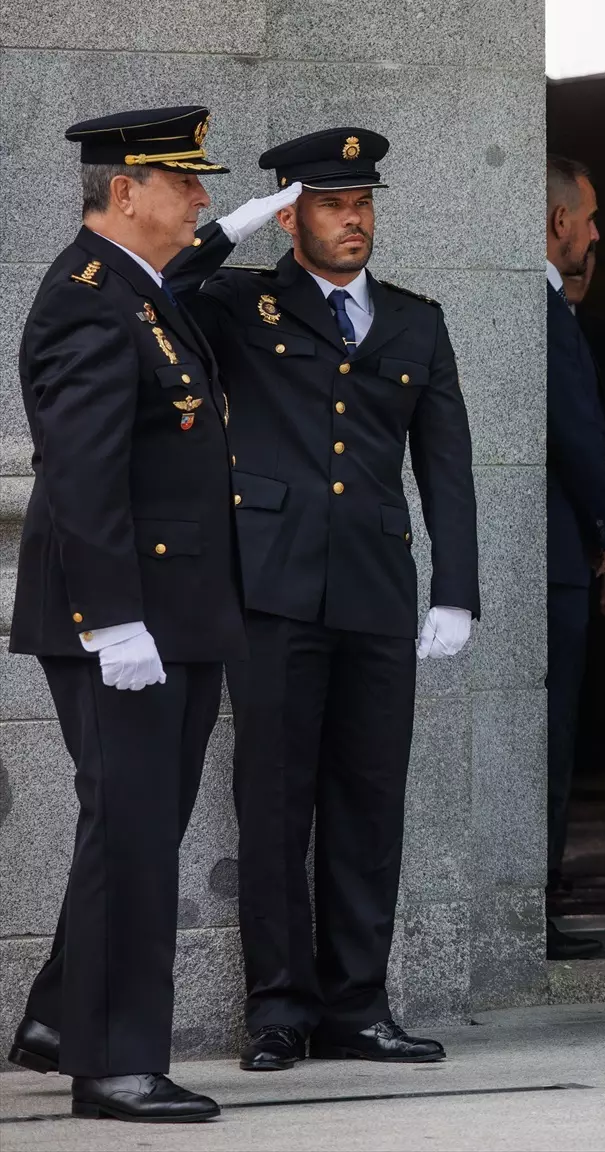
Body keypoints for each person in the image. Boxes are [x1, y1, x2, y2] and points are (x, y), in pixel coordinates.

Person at [166, 128, 480, 1067]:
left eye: (365, 203)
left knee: (369, 803)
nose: (356, 220)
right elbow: (157, 290)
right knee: (273, 803)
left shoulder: (416, 322)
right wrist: (235, 226)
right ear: (294, 215)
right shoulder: (238, 302)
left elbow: (448, 467)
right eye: (335, 204)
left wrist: (455, 591)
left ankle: (357, 1006)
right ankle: (279, 1011)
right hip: (272, 589)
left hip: (379, 593)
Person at [6, 108, 285, 1122]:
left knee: (136, 827)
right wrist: (113, 619)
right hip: (121, 617)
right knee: (130, 832)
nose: (203, 198)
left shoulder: (135, 286)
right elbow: (80, 474)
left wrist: (232, 232)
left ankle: (54, 1018)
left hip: (174, 613)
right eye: (187, 184)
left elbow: (180, 280)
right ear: (125, 192)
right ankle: (116, 1061)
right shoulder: (88, 300)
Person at [544, 154, 605, 958]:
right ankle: (538, 900)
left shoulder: (545, 300)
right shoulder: (544, 304)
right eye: (590, 218)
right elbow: (574, 432)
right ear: (560, 220)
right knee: (553, 729)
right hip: (558, 554)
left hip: (558, 553)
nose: (596, 234)